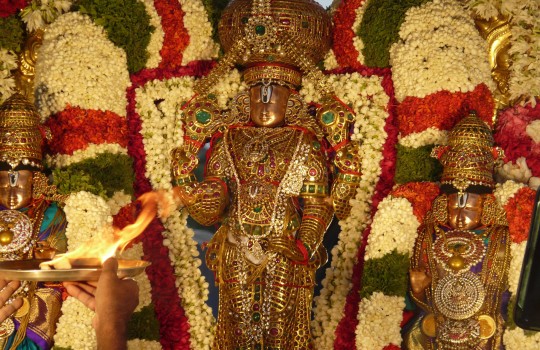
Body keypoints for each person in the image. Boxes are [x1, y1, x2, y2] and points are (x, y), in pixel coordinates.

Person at [168, 0, 363, 348]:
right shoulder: (229, 138)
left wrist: (302, 246)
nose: (265, 102)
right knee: (235, 326)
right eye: (258, 94)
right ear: (246, 97)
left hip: (284, 247)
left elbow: (317, 201)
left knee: (281, 329)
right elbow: (213, 201)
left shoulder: (305, 141)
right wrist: (188, 184)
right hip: (237, 246)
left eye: (274, 95)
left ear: (292, 99)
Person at [406, 112, 510, 349]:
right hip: (433, 330)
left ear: (486, 205)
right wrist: (418, 291)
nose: (462, 215)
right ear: (444, 203)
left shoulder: (499, 237)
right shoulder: (429, 235)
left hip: (487, 331)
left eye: (470, 204)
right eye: (456, 204)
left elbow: (507, 296)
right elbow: (415, 301)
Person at [0, 93, 69, 349]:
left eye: (19, 181)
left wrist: (48, 253)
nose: (11, 189)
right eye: (5, 180)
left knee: (48, 296)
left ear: (36, 181)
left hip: (33, 295)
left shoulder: (50, 214)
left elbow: (59, 263)